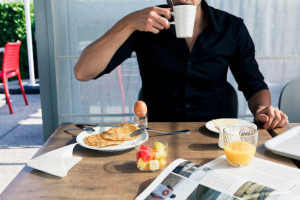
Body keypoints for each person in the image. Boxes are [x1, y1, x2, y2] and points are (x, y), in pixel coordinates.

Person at [74, 0, 289, 130]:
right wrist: (127, 23)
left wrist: (263, 110)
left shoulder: (231, 28)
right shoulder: (144, 23)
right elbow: (83, 71)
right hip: (159, 137)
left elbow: (254, 86)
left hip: (213, 138)